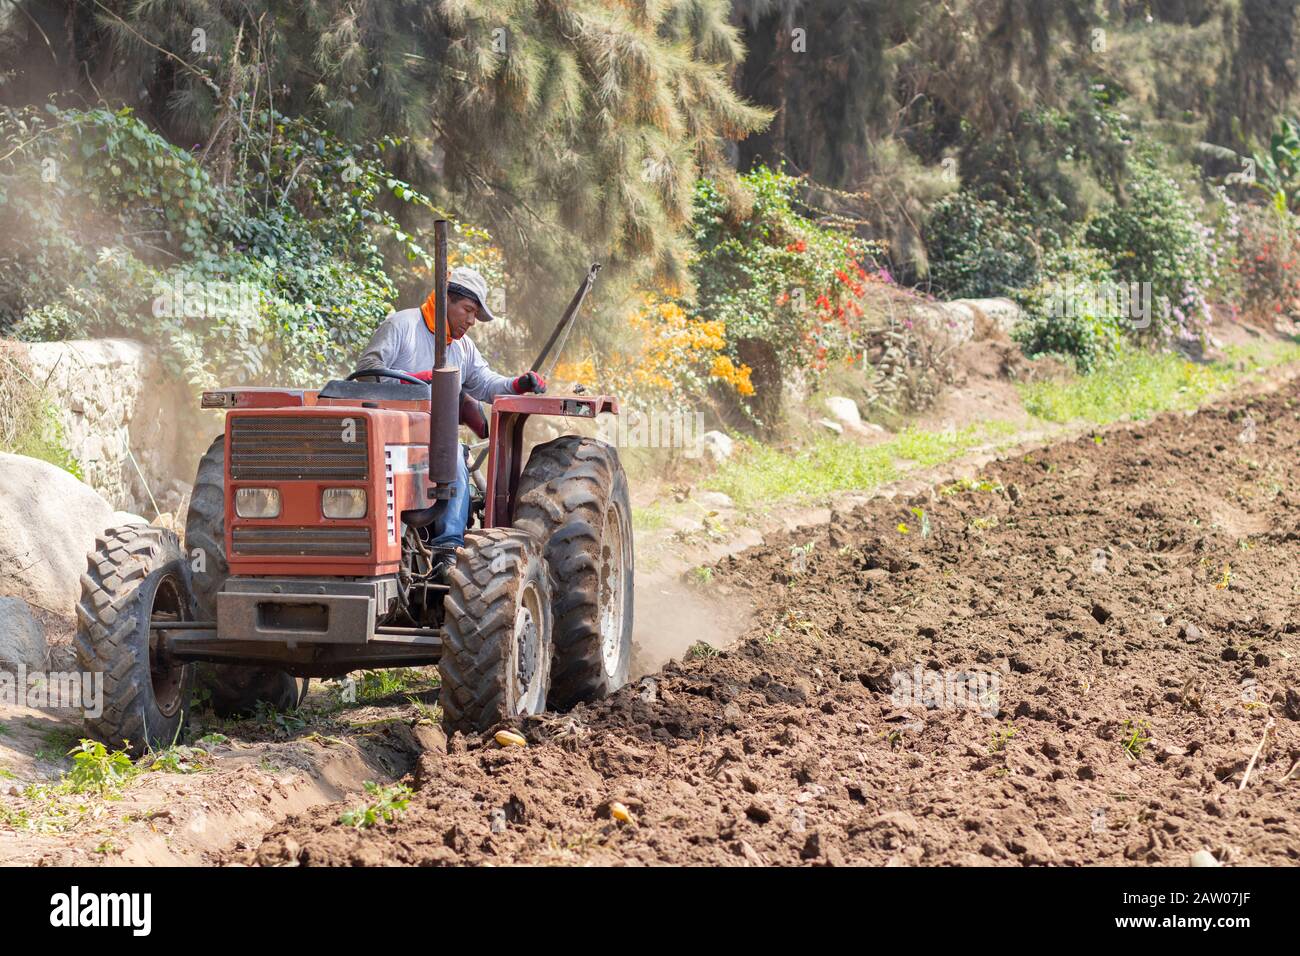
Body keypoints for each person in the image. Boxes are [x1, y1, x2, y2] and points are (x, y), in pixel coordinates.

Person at [356, 266, 544, 563]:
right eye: (467, 310)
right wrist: (411, 379)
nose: (471, 321)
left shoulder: (463, 348)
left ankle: (447, 549)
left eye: (475, 315)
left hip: (435, 436)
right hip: (392, 433)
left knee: (453, 455)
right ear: (446, 300)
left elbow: (485, 384)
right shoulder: (402, 325)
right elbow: (366, 372)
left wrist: (518, 384)